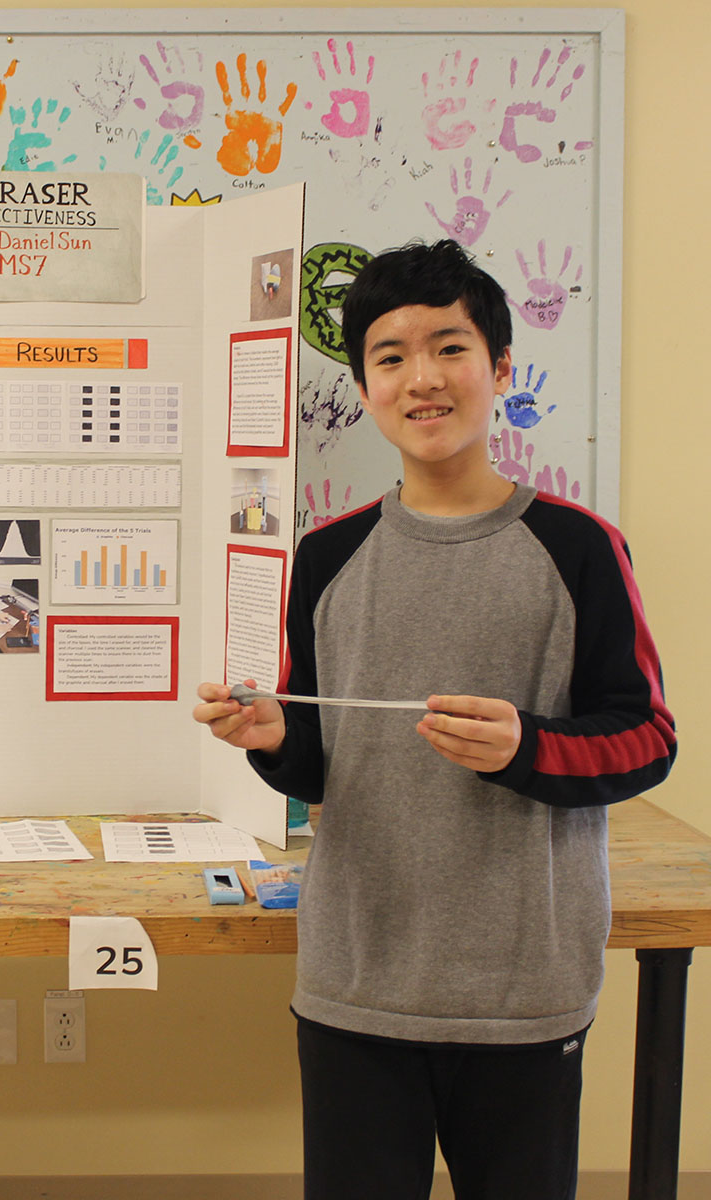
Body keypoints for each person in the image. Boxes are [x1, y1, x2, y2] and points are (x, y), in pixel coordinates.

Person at [193, 239, 676, 1200]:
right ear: (365, 388)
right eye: (391, 356)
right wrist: (274, 741)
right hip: (356, 985)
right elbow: (322, 762)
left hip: (525, 991)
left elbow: (647, 738)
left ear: (500, 368)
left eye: (450, 348)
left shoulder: (579, 547)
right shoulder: (327, 557)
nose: (423, 378)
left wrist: (529, 748)